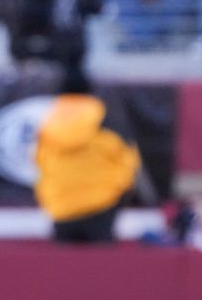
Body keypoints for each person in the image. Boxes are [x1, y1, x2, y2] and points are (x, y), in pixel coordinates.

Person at [34, 93, 141, 243]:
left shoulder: (48, 138)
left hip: (61, 208)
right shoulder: (109, 139)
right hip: (101, 204)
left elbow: (39, 164)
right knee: (99, 262)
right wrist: (117, 188)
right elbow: (130, 165)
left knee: (62, 262)